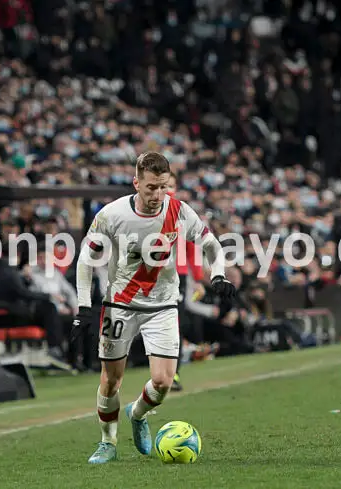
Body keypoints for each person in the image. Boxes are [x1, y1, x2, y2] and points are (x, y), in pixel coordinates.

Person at [71, 152, 236, 464]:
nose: (157, 195)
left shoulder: (178, 211)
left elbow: (212, 244)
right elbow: (85, 260)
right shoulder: (112, 215)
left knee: (162, 383)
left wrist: (218, 275)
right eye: (150, 188)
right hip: (119, 305)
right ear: (136, 183)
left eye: (163, 187)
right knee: (110, 380)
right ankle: (108, 442)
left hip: (162, 305)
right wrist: (83, 308)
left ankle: (137, 413)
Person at [165, 171, 205, 392]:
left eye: (171, 185)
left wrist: (197, 279)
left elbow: (192, 247)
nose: (168, 190)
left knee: (173, 323)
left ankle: (173, 373)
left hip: (175, 276)